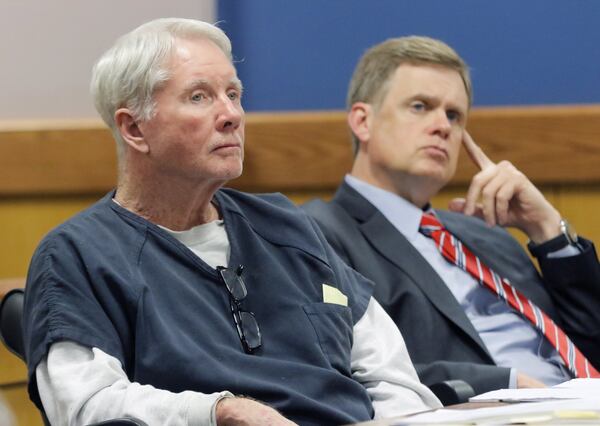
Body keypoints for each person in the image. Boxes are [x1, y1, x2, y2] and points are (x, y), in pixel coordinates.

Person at [22, 19, 441, 426]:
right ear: (134, 129)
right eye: (200, 97)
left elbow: (390, 375)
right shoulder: (77, 255)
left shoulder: (289, 227)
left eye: (234, 94)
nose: (232, 115)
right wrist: (218, 412)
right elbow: (84, 406)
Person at [303, 36, 600, 396]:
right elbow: (341, 362)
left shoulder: (488, 236)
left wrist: (547, 229)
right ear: (363, 121)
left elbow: (589, 343)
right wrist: (502, 383)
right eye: (420, 106)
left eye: (454, 115)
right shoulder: (317, 232)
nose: (442, 126)